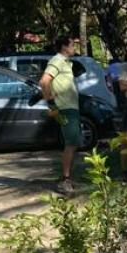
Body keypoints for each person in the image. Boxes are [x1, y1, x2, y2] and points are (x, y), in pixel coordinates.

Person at [40, 37, 82, 194]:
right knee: (71, 143)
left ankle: (66, 177)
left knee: (73, 142)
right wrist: (51, 104)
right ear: (64, 46)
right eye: (72, 44)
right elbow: (44, 82)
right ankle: (65, 180)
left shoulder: (65, 62)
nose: (74, 47)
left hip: (69, 108)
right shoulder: (57, 60)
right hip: (64, 108)